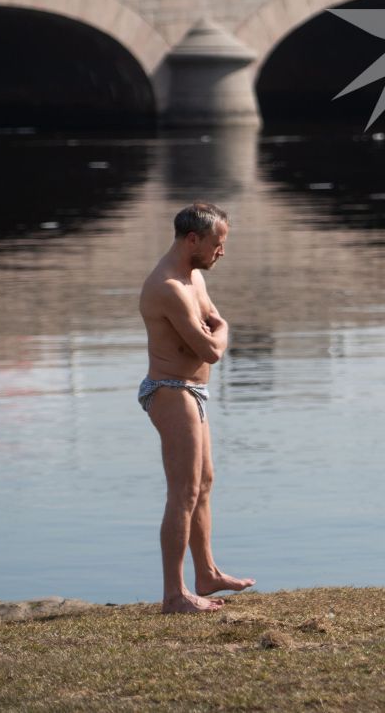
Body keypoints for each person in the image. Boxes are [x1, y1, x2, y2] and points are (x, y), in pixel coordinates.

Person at [139, 201, 254, 612]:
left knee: (204, 483)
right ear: (193, 240)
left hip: (194, 392)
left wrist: (218, 332)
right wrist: (221, 334)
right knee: (183, 491)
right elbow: (211, 347)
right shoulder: (168, 286)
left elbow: (214, 325)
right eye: (217, 243)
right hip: (170, 390)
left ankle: (205, 574)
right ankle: (174, 594)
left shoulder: (194, 279)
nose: (221, 251)